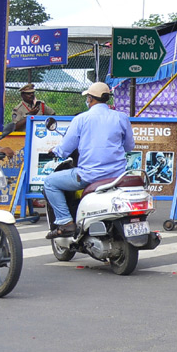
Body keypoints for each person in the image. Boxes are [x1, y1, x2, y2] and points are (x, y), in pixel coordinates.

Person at [43, 83, 133, 239]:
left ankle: (65, 222)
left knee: (50, 183)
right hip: (117, 176)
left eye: (87, 98)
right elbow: (129, 146)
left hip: (90, 176)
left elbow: (66, 147)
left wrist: (55, 151)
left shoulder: (81, 119)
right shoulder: (121, 117)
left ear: (90, 99)